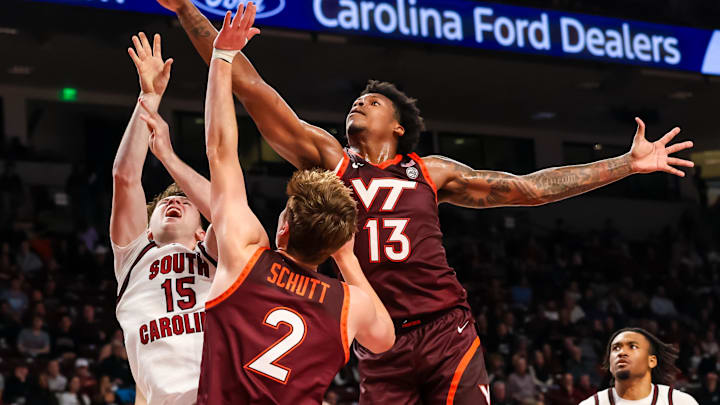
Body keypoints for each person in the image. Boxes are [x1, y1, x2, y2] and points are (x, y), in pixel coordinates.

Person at [158, 1, 694, 402]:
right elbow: (250, 87)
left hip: (444, 328)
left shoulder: (431, 172)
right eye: (356, 99)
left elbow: (530, 188)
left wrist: (626, 164)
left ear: (397, 124)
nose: (358, 103)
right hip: (377, 337)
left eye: (371, 102)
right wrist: (186, 9)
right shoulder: (329, 157)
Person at [181, 6, 394, 403]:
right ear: (335, 245)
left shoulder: (244, 258)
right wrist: (346, 259)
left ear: (283, 229)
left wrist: (223, 56)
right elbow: (383, 339)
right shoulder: (350, 305)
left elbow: (220, 151)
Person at [111, 32, 217, 404]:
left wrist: (170, 157)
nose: (174, 203)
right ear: (148, 229)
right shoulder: (134, 257)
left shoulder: (216, 255)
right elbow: (125, 178)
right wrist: (149, 99)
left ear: (202, 232)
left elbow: (223, 206)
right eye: (164, 204)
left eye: (185, 202)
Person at [578, 328, 699, 405]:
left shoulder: (680, 401)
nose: (622, 352)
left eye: (633, 346)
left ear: (651, 361)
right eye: (616, 348)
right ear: (610, 364)